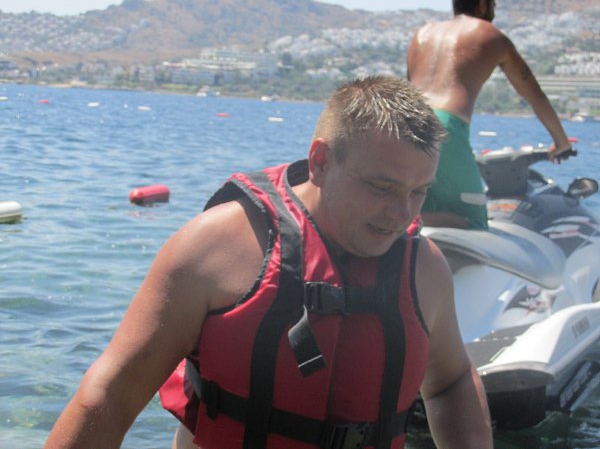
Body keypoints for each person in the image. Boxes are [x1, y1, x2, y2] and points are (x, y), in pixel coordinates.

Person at [44, 76, 493, 449]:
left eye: (419, 192)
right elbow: (113, 393)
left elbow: (451, 381)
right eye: (382, 187)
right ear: (320, 162)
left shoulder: (423, 268)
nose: (403, 214)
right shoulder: (215, 248)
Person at [407, 0, 574, 230]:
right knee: (474, 222)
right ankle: (406, 224)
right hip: (446, 127)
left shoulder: (423, 34)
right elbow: (535, 95)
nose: (494, 11)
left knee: (418, 207)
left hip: (406, 121)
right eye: (493, 4)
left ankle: (401, 226)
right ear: (483, 4)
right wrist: (561, 142)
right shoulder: (491, 35)